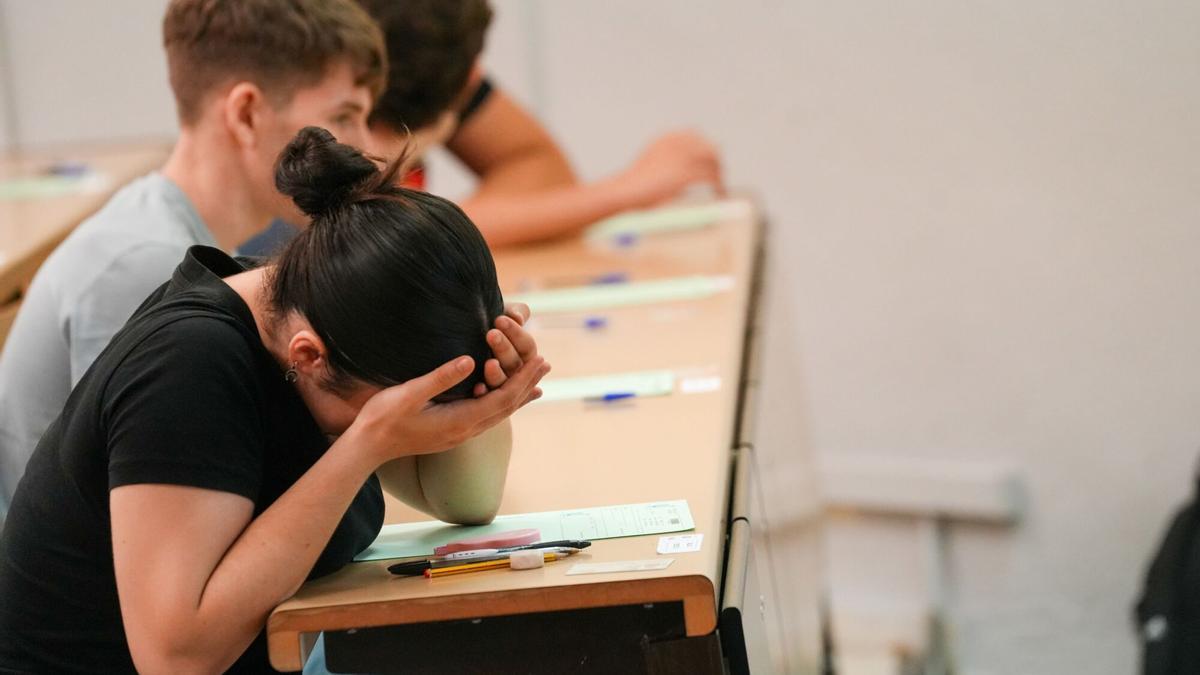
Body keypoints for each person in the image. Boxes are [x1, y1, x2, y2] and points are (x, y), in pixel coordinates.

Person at [0, 126, 550, 673]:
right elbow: (176, 658)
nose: (401, 421)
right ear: (309, 358)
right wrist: (363, 446)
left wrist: (484, 397)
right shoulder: (188, 370)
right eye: (392, 405)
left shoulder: (313, 307)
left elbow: (465, 503)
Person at [240, 0, 726, 254]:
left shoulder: (426, 56)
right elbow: (375, 243)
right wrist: (626, 191)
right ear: (471, 72)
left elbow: (539, 168)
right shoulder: (314, 116)